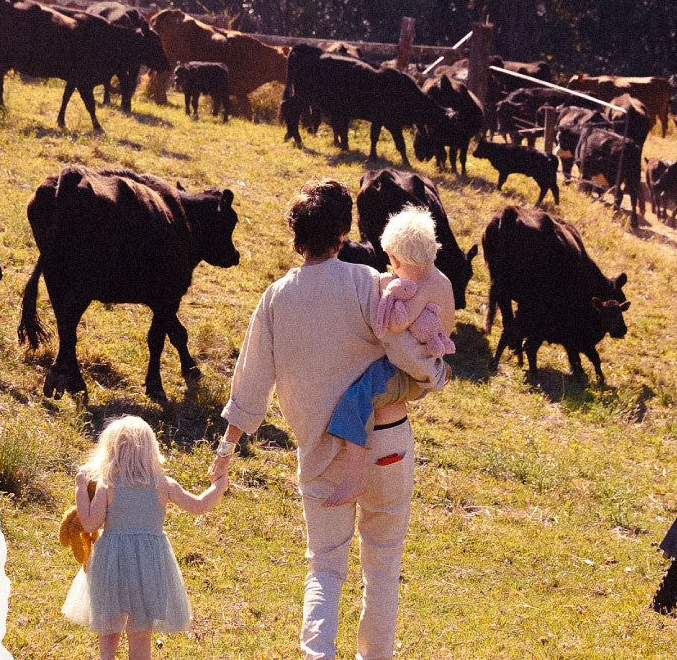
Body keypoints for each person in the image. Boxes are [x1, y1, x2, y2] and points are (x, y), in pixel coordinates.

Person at [209, 179, 449, 660]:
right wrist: (435, 373)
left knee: (325, 566)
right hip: (389, 444)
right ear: (344, 231)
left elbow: (250, 385)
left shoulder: (276, 299)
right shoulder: (368, 283)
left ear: (297, 236)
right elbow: (407, 354)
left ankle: (317, 654)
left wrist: (225, 452)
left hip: (320, 454)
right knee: (382, 563)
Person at [62, 415, 229, 660]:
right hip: (149, 566)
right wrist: (219, 486)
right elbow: (199, 506)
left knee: (109, 627)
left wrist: (80, 488)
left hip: (112, 564)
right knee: (141, 632)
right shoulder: (163, 484)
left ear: (111, 452)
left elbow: (89, 522)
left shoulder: (108, 486)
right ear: (150, 449)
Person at [322, 206, 456, 509]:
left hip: (407, 373)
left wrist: (388, 293)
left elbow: (394, 326)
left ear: (395, 259)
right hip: (426, 365)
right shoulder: (442, 281)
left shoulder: (419, 289)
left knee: (355, 399)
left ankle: (354, 476)